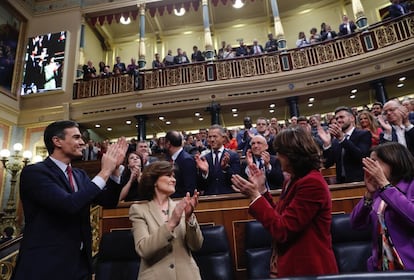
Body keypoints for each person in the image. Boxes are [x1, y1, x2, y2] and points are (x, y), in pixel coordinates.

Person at [12, 120, 128, 280]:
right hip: (45, 265)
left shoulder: (79, 175)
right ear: (57, 141)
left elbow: (109, 201)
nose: (82, 142)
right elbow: (69, 205)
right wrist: (105, 171)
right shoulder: (35, 172)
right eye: (76, 137)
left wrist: (115, 171)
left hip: (79, 264)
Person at [231, 127, 338, 278]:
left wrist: (255, 196)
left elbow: (283, 230)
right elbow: (279, 217)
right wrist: (261, 190)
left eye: (280, 153)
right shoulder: (293, 179)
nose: (277, 157)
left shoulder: (312, 183)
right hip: (293, 266)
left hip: (309, 269)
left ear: (292, 155)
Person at [129, 161, 203, 280]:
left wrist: (189, 217)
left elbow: (196, 245)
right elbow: (144, 249)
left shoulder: (182, 206)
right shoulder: (139, 210)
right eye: (168, 175)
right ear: (154, 181)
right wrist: (171, 224)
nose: (173, 180)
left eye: (173, 176)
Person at [350, 142, 414, 271]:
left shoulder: (409, 186)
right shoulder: (380, 192)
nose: (370, 168)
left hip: (408, 267)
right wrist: (369, 195)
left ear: (394, 162)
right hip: (381, 268)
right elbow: (356, 224)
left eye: (375, 162)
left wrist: (385, 186)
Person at [318, 106, 372, 183]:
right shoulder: (335, 141)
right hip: (342, 183)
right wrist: (327, 145)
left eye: (341, 117)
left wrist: (342, 139)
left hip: (360, 181)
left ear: (352, 118)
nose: (338, 120)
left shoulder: (363, 134)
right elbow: (327, 164)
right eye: (336, 119)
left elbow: (361, 157)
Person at [195, 124, 241, 195]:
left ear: (223, 138)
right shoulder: (204, 158)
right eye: (210, 137)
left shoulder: (233, 156)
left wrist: (225, 168)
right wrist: (205, 173)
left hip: (229, 198)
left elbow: (237, 181)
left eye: (215, 136)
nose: (212, 140)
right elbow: (201, 186)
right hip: (209, 199)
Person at [164, 130, 197, 198]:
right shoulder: (169, 159)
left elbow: (190, 188)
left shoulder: (187, 160)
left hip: (182, 201)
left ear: (168, 143)